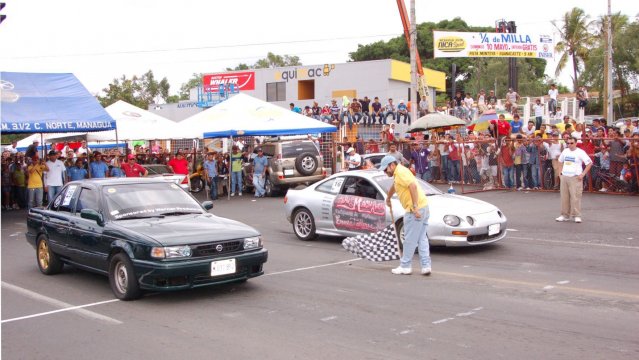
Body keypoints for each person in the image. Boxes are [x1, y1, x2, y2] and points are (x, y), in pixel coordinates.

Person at [378, 155, 431, 276]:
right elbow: (395, 185)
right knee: (422, 238)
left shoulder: (400, 172)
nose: (385, 172)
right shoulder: (399, 173)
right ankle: (426, 266)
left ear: (392, 165)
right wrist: (388, 197)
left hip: (414, 209)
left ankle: (405, 266)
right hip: (423, 207)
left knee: (409, 240)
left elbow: (412, 186)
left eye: (386, 170)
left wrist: (415, 207)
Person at [556, 138, 593, 223]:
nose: (569, 145)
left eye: (571, 143)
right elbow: (560, 161)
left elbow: (589, 163)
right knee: (564, 197)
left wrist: (583, 174)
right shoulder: (565, 151)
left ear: (576, 143)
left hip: (575, 177)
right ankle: (564, 215)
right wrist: (560, 173)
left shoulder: (580, 152)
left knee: (575, 197)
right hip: (565, 176)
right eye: (568, 143)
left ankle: (577, 215)